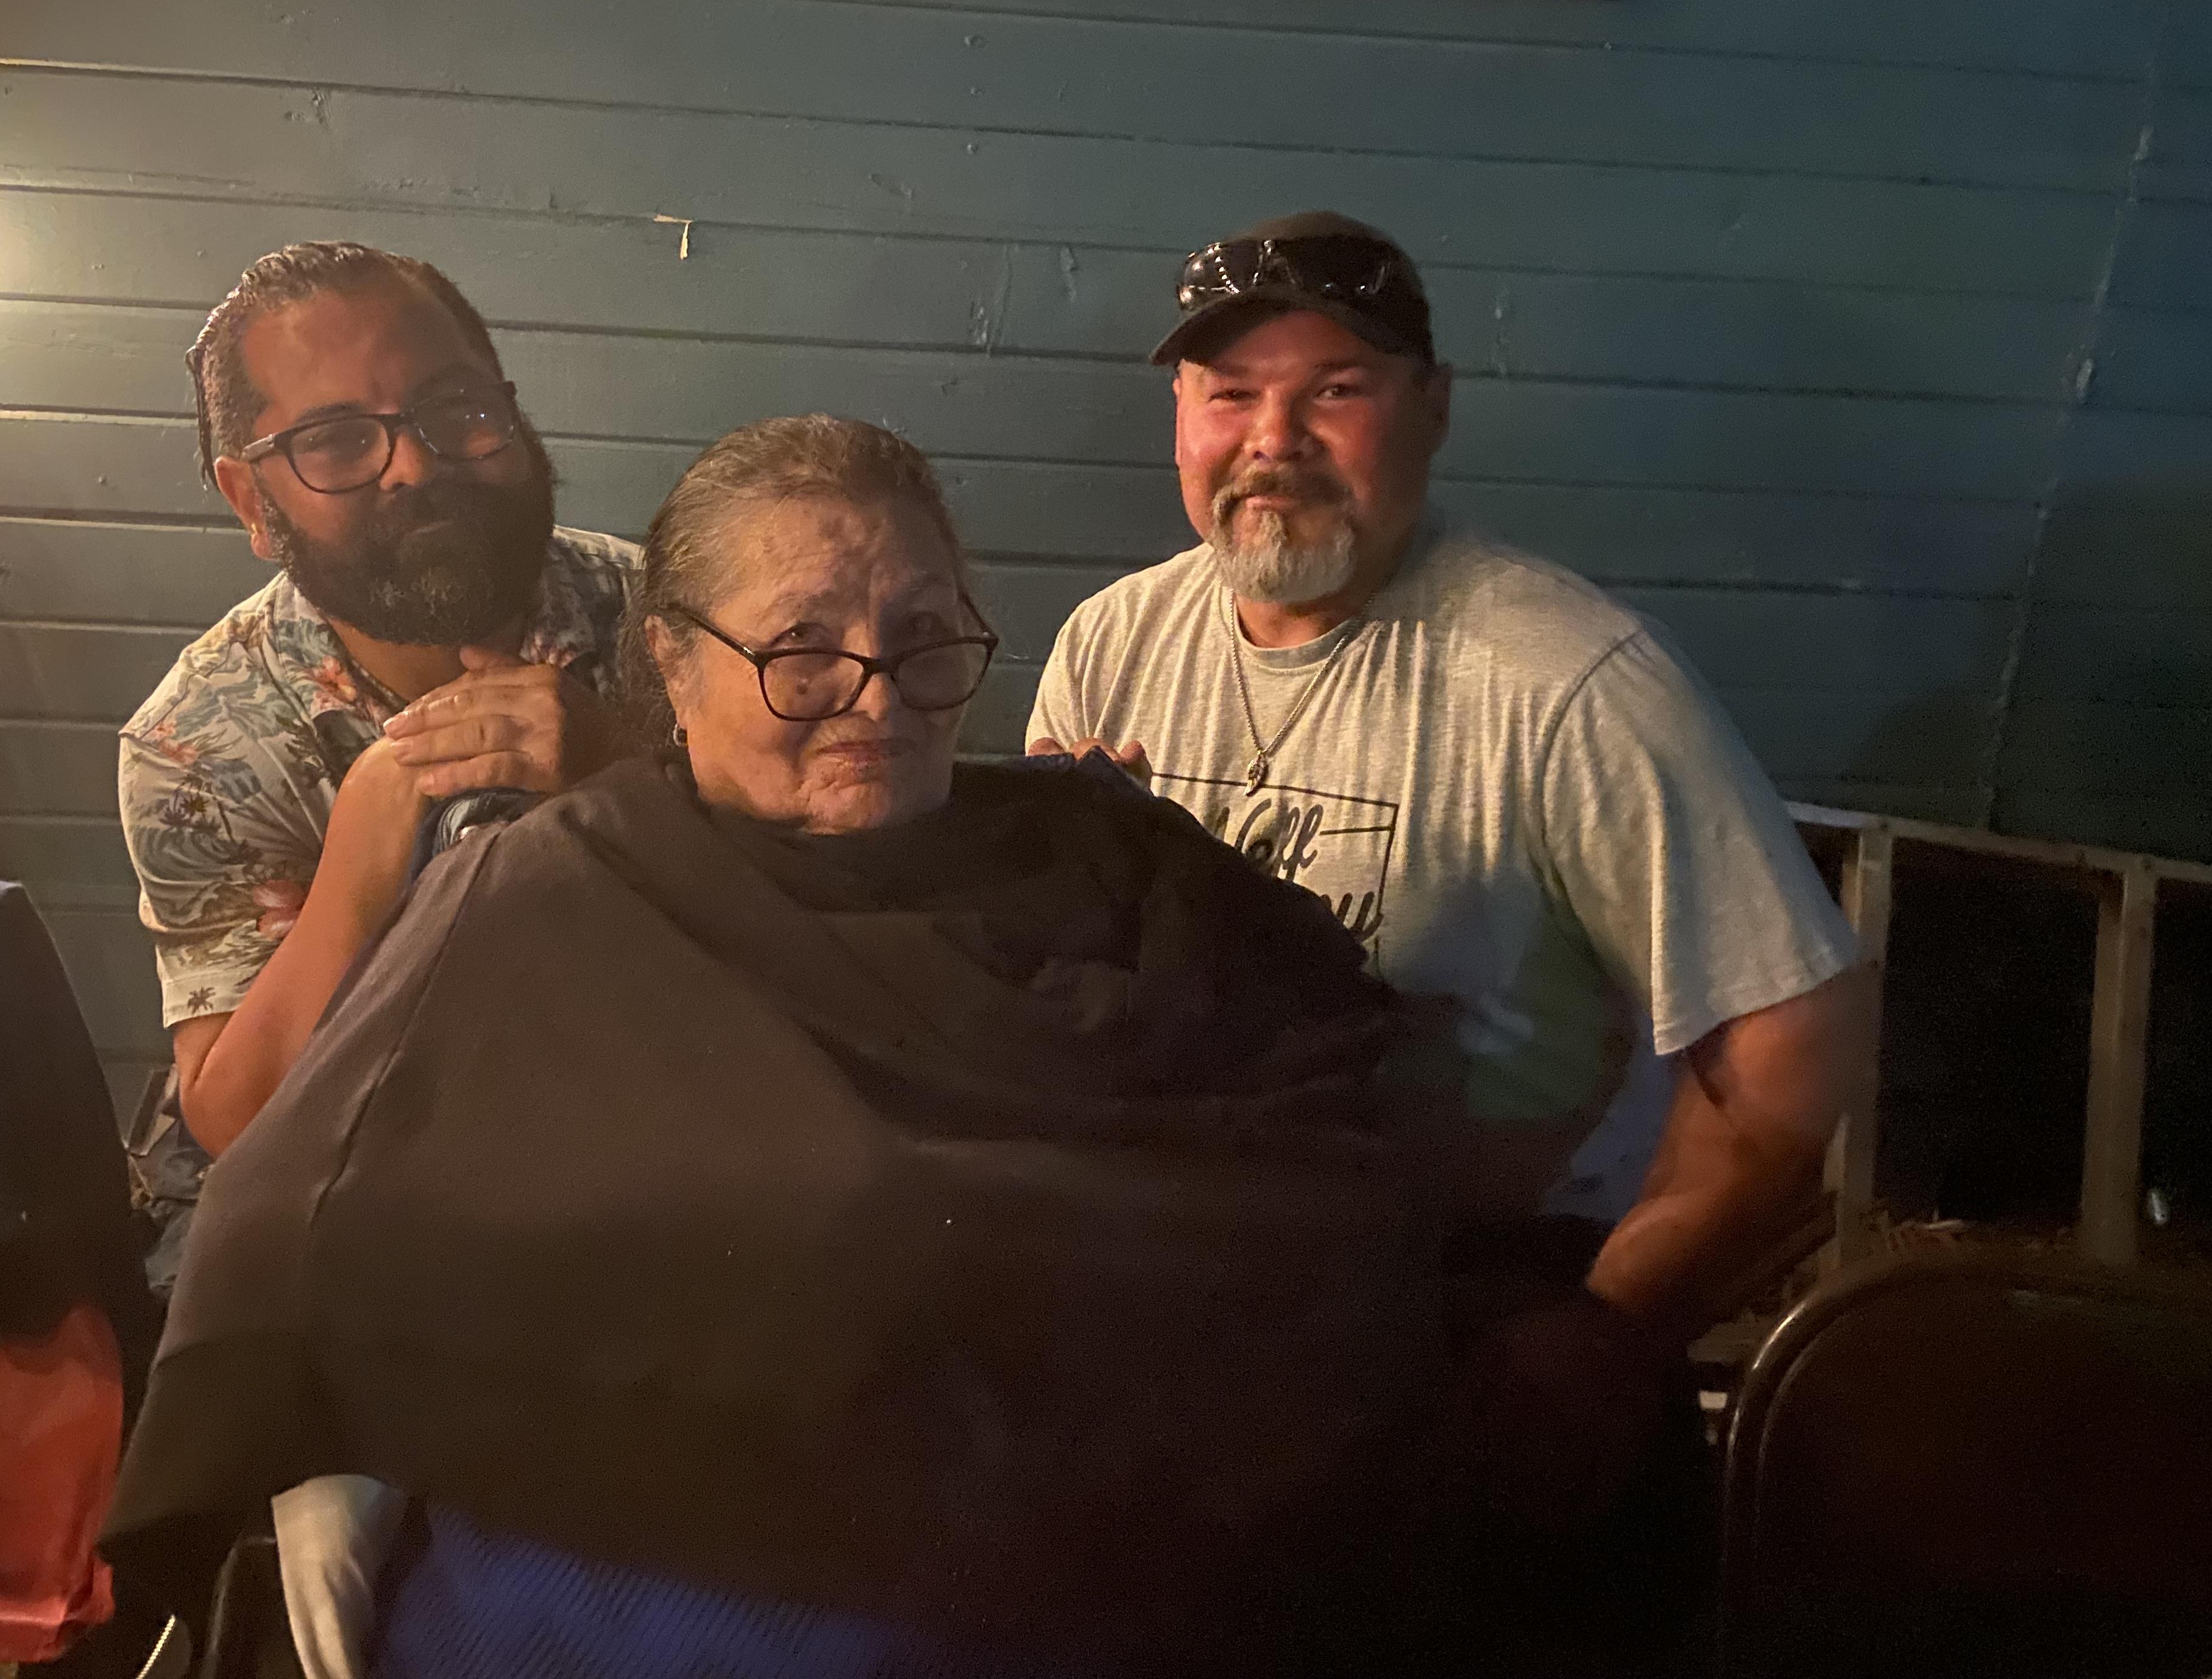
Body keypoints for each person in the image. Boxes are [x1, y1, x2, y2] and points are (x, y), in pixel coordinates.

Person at [104, 416, 1455, 1678]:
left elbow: (1335, 1140)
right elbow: (296, 1218)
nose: (876, 697)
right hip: (690, 1544)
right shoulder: (546, 893)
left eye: (924, 638)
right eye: (801, 649)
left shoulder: (1116, 854)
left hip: (1126, 1531)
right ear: (675, 666)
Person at [1026, 212, 1873, 1547]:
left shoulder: (1568, 679)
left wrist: (1608, 1332)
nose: (1273, 441)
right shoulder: (1111, 645)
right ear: (1179, 419)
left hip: (1479, 1285)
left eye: (1336, 393)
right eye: (1230, 396)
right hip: (1204, 1272)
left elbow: (1796, 1048)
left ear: (1432, 410)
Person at [117, 243, 636, 1276]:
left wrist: (630, 783)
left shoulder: (677, 623)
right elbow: (236, 1116)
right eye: (338, 441)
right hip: (355, 1174)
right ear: (251, 501)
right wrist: (369, 835)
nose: (418, 464)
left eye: (459, 411)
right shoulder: (199, 741)